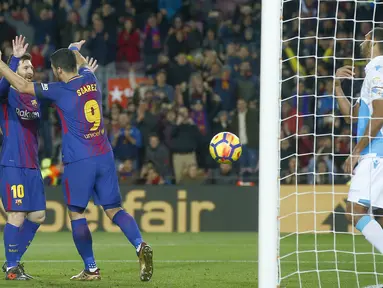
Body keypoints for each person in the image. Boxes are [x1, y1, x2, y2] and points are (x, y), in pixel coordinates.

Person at [0, 40, 153, 281]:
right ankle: (139, 243)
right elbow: (82, 65)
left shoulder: (59, 90)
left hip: (79, 160)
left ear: (59, 70)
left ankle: (91, 268)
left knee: (76, 214)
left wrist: (3, 64)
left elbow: (21, 84)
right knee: (114, 209)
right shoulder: (91, 80)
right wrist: (74, 51)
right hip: (104, 154)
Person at [334, 27, 383, 253]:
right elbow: (352, 115)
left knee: (354, 211)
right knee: (380, 217)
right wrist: (337, 87)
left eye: (367, 36)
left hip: (376, 152)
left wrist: (356, 151)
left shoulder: (378, 67)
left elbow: (380, 113)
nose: (363, 40)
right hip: (377, 152)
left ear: (374, 41)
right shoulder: (372, 71)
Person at [0, 36, 44, 281]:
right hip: (13, 163)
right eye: (26, 67)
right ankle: (12, 267)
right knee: (16, 214)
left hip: (32, 164)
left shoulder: (35, 95)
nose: (31, 70)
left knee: (37, 216)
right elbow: (2, 86)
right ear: (14, 71)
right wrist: (14, 58)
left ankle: (12, 260)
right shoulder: (5, 97)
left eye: (31, 67)